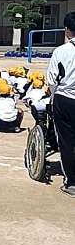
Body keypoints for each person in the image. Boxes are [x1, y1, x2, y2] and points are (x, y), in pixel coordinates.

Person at [47, 11, 75, 195]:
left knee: (67, 141)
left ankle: (72, 183)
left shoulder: (61, 51)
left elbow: (52, 80)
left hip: (65, 100)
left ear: (67, 30)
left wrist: (52, 95)